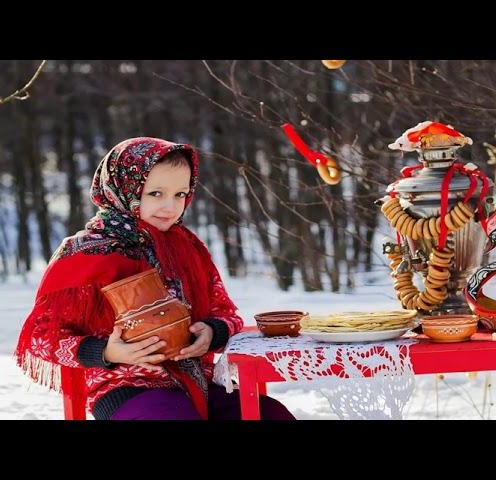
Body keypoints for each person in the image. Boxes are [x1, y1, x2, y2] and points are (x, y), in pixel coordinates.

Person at [15, 137, 295, 420]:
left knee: (271, 414)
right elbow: (41, 338)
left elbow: (226, 312)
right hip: (124, 387)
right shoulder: (82, 253)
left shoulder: (189, 247)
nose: (170, 207)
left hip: (201, 383)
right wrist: (106, 352)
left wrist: (212, 332)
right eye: (156, 194)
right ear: (124, 189)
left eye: (180, 194)